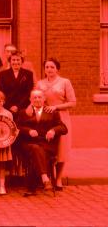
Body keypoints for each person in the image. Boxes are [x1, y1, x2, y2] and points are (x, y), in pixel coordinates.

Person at [17, 89, 68, 196]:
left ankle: (34, 186)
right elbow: (18, 127)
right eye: (34, 97)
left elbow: (63, 128)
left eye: (39, 97)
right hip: (29, 145)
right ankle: (45, 178)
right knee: (35, 148)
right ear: (30, 99)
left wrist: (53, 130)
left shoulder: (52, 113)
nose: (37, 99)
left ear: (44, 99)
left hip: (47, 145)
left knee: (37, 151)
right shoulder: (24, 113)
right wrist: (28, 131)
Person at [36, 58, 76, 190]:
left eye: (52, 67)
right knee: (46, 146)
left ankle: (58, 178)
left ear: (57, 69)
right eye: (47, 67)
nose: (49, 70)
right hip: (45, 118)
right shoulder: (40, 83)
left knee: (61, 148)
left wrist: (56, 107)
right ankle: (47, 176)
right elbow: (35, 98)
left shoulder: (65, 82)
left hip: (61, 117)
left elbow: (72, 102)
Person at [0, 50, 34, 119]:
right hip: (7, 107)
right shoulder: (3, 74)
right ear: (10, 61)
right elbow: (1, 91)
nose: (16, 62)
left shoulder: (28, 74)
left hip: (23, 107)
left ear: (22, 61)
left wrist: (18, 106)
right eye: (13, 60)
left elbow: (29, 92)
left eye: (18, 60)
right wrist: (9, 106)